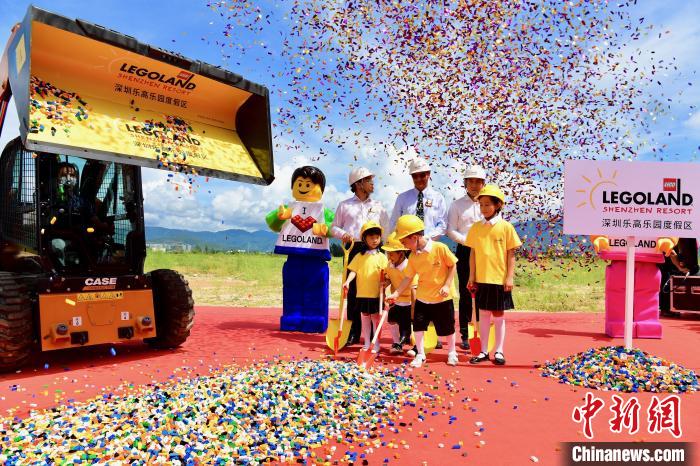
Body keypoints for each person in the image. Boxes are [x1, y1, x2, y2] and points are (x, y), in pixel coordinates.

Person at [385, 215, 459, 368]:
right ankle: (420, 354)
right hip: (422, 298)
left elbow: (453, 265)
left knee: (448, 328)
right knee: (418, 327)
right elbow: (408, 277)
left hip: (442, 298)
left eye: (404, 242)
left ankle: (452, 352)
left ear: (415, 237)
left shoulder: (440, 248)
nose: (404, 246)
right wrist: (396, 293)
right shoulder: (413, 256)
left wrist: (447, 285)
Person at [332, 167, 389, 345]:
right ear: (358, 184)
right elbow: (333, 228)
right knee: (353, 291)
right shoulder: (344, 205)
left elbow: (386, 229)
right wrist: (344, 234)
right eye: (369, 180)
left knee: (374, 290)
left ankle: (372, 335)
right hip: (353, 248)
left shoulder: (378, 205)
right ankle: (353, 332)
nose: (372, 183)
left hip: (376, 249)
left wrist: (387, 251)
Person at [466, 185, 522, 366]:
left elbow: (511, 254)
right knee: (483, 314)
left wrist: (509, 277)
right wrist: (471, 276)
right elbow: (473, 253)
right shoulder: (476, 227)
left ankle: (499, 350)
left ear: (498, 205)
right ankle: (484, 351)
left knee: (498, 314)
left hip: (499, 279)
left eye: (487, 204)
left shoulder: (506, 227)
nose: (484, 208)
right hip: (481, 279)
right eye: (481, 204)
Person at [447, 165, 486, 350]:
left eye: (478, 181)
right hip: (464, 251)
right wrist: (468, 241)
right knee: (465, 292)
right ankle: (465, 333)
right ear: (465, 183)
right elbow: (450, 230)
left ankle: (481, 330)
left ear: (483, 183)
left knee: (483, 291)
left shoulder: (490, 202)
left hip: (486, 252)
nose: (474, 185)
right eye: (471, 181)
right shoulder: (456, 205)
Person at [343, 221, 389, 353]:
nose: (374, 240)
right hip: (362, 293)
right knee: (364, 317)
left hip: (376, 294)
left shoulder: (382, 257)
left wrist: (386, 282)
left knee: (375, 319)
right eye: (371, 237)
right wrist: (347, 282)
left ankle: (376, 343)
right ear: (364, 238)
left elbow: (387, 274)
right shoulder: (359, 256)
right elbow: (353, 271)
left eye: (377, 237)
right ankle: (367, 342)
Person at [389, 158, 447, 240]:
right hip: (406, 245)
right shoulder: (402, 198)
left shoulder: (438, 198)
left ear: (428, 174)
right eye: (415, 176)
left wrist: (426, 238)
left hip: (431, 244)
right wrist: (406, 239)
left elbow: (443, 225)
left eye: (422, 175)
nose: (418, 179)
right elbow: (393, 223)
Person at [382, 232, 417, 354]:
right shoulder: (389, 265)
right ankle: (396, 342)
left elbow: (414, 288)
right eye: (387, 253)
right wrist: (385, 283)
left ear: (401, 253)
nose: (389, 256)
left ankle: (404, 342)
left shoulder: (409, 266)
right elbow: (389, 278)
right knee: (392, 320)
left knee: (405, 325)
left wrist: (413, 308)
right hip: (395, 300)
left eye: (391, 253)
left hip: (408, 302)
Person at [659, 238, 699, 315]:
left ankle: (667, 308)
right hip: (670, 265)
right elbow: (671, 252)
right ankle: (667, 308)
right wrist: (680, 267)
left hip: (668, 264)